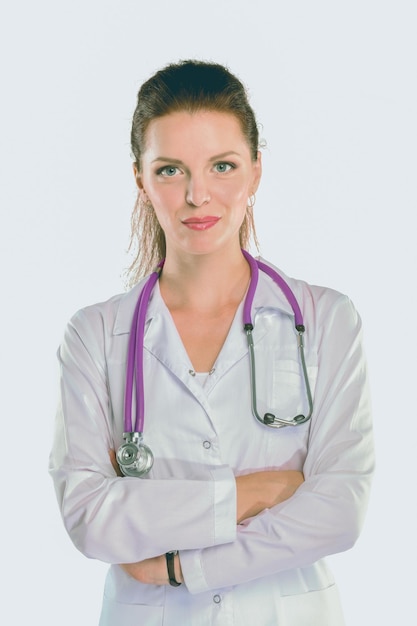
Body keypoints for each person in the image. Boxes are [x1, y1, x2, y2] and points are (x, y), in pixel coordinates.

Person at [49, 59, 374, 625]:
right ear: (140, 180)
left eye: (222, 165)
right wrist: (255, 491)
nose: (198, 195)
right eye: (171, 170)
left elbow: (340, 510)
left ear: (255, 171)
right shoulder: (96, 335)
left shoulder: (327, 321)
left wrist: (181, 567)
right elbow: (90, 516)